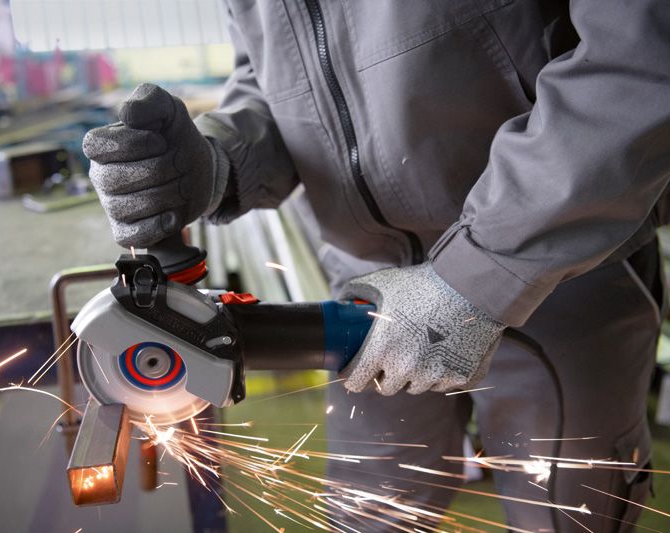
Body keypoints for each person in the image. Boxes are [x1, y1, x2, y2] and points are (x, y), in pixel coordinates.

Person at [82, 1, 670, 530]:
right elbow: (276, 84)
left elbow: (639, 57)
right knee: (371, 513)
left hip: (555, 264)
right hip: (367, 293)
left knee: (567, 513)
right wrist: (220, 161)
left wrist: (476, 275)